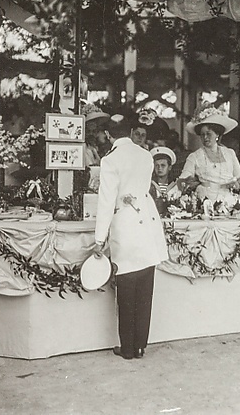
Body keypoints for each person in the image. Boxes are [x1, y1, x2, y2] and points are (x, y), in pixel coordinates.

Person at [93, 114, 168, 360]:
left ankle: (127, 348)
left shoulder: (110, 159)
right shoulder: (145, 156)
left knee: (126, 289)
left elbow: (106, 201)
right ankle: (140, 346)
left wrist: (99, 239)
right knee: (145, 289)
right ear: (130, 132)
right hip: (146, 224)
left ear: (110, 135)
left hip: (125, 226)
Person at [179, 106, 240, 207]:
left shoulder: (229, 153)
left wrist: (237, 184)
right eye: (202, 135)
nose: (205, 137)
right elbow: (182, 179)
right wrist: (188, 182)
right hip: (205, 201)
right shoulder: (194, 156)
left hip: (228, 200)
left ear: (217, 134)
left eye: (208, 134)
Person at [149, 146, 181, 216]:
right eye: (157, 165)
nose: (159, 168)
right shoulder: (150, 185)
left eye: (163, 165)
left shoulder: (175, 185)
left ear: (169, 167)